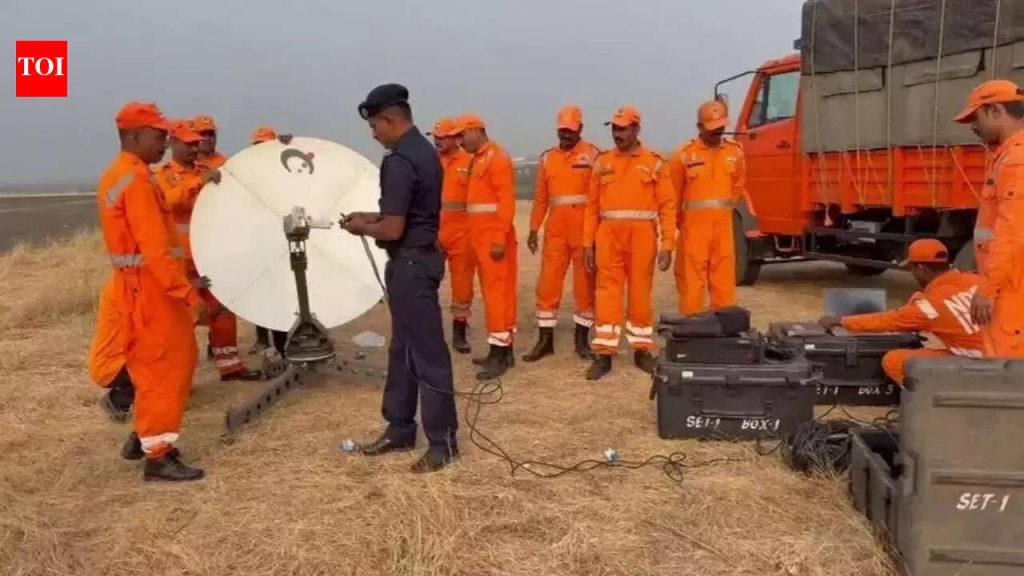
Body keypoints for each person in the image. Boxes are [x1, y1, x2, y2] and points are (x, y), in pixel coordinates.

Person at [341, 83, 459, 473]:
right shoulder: (422, 153)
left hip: (410, 265)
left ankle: (442, 441)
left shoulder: (398, 161)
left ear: (391, 120)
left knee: (427, 354)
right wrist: (366, 217)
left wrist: (361, 228)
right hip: (418, 261)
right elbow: (405, 216)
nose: (373, 134)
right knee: (403, 350)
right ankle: (400, 426)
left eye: (375, 125)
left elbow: (393, 229)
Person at [91, 102, 207, 481]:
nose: (166, 141)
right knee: (165, 369)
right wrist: (189, 296)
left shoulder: (123, 174)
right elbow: (155, 251)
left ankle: (143, 434)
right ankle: (158, 455)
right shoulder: (137, 181)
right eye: (160, 135)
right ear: (134, 136)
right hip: (152, 290)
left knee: (154, 365)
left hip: (138, 286)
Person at [158, 118, 261, 381]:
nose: (195, 148)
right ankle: (178, 376)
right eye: (189, 144)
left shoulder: (212, 169)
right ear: (173, 143)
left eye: (197, 143)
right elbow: (168, 202)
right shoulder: (164, 175)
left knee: (222, 309)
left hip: (212, 255)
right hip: (182, 260)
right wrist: (197, 183)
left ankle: (230, 367)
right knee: (184, 316)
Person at [582, 106, 676, 380]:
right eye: (614, 128)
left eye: (623, 128)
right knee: (606, 293)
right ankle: (604, 352)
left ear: (636, 129)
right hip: (608, 235)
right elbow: (591, 206)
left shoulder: (655, 162)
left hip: (642, 236)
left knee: (639, 292)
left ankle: (641, 349)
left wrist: (667, 244)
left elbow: (668, 205)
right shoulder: (602, 162)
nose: (617, 134)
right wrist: (587, 242)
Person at [819, 239, 984, 385]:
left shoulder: (928, 307)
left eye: (912, 270)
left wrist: (842, 321)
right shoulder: (977, 281)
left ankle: (927, 400)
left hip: (977, 360)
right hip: (1006, 352)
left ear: (921, 268)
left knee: (893, 360)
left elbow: (888, 321)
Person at [523, 105, 599, 362]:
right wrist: (534, 228)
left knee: (584, 285)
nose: (565, 135)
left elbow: (599, 198)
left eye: (570, 131)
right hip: (556, 232)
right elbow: (541, 198)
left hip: (583, 231)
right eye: (562, 131)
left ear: (580, 130)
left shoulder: (593, 156)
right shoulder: (548, 158)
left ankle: (582, 339)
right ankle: (545, 340)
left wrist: (594, 235)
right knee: (547, 284)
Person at [955, 80, 1024, 358]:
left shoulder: (1016, 160)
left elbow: (1012, 231)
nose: (973, 126)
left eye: (976, 116)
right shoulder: (1008, 156)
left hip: (1012, 285)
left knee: (1006, 370)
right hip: (1010, 281)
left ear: (996, 111)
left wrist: (988, 289)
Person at [669, 100, 751, 315]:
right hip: (694, 230)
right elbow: (673, 196)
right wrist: (681, 225)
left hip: (723, 230)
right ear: (699, 127)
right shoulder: (684, 156)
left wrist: (723, 212)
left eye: (721, 127)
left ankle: (721, 334)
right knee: (692, 285)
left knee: (724, 283)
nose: (718, 132)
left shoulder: (735, 152)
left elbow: (737, 185)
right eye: (712, 128)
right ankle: (691, 329)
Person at [461, 114, 519, 380]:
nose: (460, 142)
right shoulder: (479, 158)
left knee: (498, 295)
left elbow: (505, 201)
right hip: (480, 237)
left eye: (462, 135)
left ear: (477, 131)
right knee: (493, 294)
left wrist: (497, 238)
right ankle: (503, 349)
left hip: (493, 239)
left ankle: (499, 353)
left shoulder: (496, 157)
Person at [429, 117, 477, 354]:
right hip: (434, 231)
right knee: (427, 281)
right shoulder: (429, 162)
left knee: (462, 284)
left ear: (455, 138)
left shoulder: (470, 162)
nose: (437, 142)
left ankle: (460, 330)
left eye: (442, 138)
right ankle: (429, 330)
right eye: (435, 138)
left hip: (462, 232)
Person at [248, 125, 294, 357]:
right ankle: (263, 339)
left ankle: (282, 344)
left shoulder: (281, 170)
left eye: (266, 145)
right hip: (260, 242)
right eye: (258, 145)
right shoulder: (248, 173)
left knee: (281, 292)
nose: (262, 150)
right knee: (263, 291)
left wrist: (290, 147)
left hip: (282, 241)